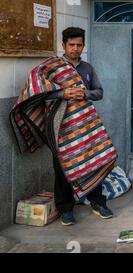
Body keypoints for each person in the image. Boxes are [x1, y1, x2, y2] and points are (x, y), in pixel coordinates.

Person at [11, 27, 117, 225]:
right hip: (60, 125)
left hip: (85, 126)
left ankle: (97, 202)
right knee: (62, 165)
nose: (75, 49)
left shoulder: (87, 68)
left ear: (83, 46)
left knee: (93, 160)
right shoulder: (52, 68)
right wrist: (63, 94)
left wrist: (84, 93)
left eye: (79, 45)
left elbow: (99, 92)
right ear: (63, 45)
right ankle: (65, 208)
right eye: (71, 45)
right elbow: (37, 92)